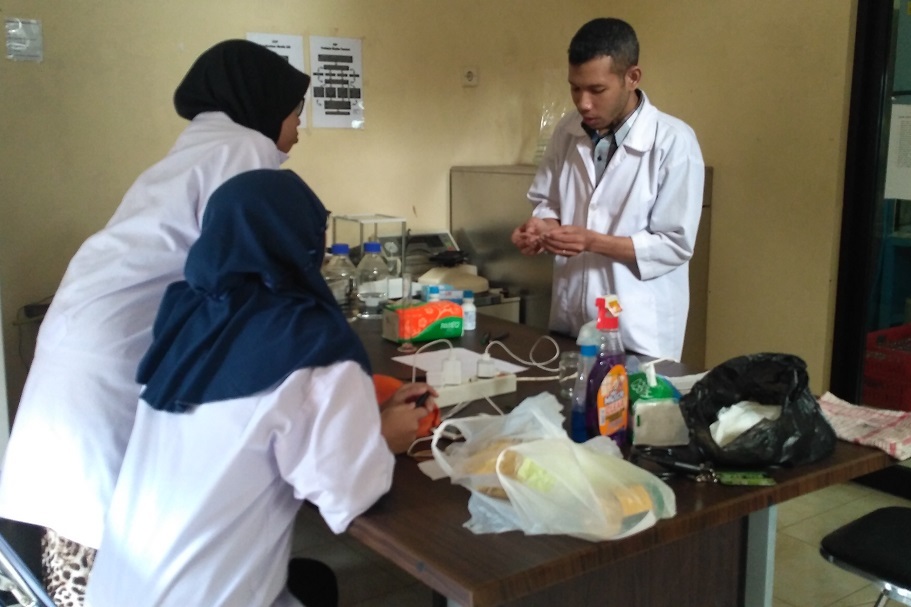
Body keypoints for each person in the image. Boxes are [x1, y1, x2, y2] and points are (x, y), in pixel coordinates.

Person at [0, 39, 310, 604]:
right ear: (263, 105)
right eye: (295, 114)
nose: (298, 131)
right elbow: (246, 287)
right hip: (110, 364)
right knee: (115, 550)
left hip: (83, 350)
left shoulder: (200, 145)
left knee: (80, 522)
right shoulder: (245, 148)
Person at [84, 168, 436, 607]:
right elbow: (346, 494)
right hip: (205, 600)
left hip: (115, 590)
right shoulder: (311, 344)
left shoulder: (189, 316)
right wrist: (384, 439)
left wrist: (364, 422)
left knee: (313, 580)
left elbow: (254, 427)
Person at [511, 18, 705, 361]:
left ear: (632, 77)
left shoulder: (674, 142)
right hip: (571, 325)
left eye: (597, 90)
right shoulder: (567, 131)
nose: (583, 103)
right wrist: (541, 229)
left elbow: (674, 244)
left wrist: (592, 241)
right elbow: (547, 202)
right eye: (575, 88)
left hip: (639, 334)